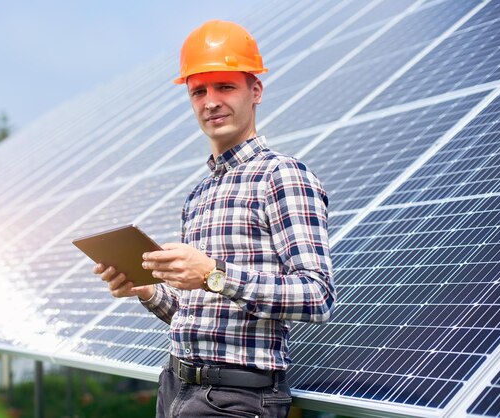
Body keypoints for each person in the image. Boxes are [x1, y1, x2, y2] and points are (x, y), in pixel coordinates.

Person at [94, 19, 336, 418]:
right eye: (199, 91)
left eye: (225, 86)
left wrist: (212, 275)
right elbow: (194, 313)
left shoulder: (282, 176)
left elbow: (318, 297)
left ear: (255, 90)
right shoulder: (199, 196)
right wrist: (146, 291)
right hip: (174, 385)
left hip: (237, 400)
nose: (210, 102)